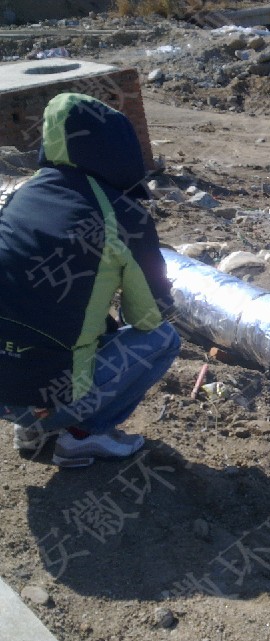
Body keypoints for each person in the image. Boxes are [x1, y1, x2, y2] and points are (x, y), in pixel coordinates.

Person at [0, 92, 180, 467]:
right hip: (53, 397)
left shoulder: (23, 195)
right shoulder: (123, 214)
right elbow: (148, 318)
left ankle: (30, 429)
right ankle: (82, 437)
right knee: (163, 339)